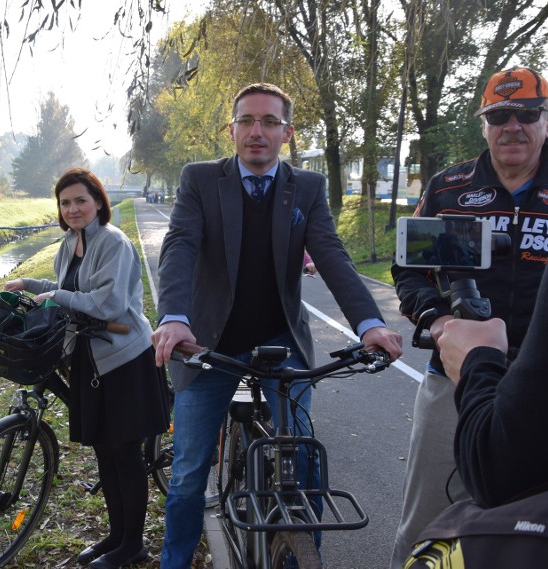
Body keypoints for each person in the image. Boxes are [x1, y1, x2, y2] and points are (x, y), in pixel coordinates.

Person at [151, 82, 403, 569]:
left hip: (280, 338)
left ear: (287, 133)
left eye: (269, 122)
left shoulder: (305, 188)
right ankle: (175, 562)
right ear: (231, 129)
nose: (256, 132)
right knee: (186, 474)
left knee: (303, 464)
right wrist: (174, 318)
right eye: (246, 121)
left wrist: (369, 323)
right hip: (207, 343)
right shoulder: (200, 179)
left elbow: (330, 254)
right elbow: (180, 245)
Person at [388, 66, 548, 567]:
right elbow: (408, 271)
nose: (513, 126)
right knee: (425, 516)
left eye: (527, 114)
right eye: (499, 115)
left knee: (538, 520)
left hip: (546, 383)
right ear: (484, 124)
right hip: (454, 377)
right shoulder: (448, 187)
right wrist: (439, 323)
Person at [5, 167, 170, 569]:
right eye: (65, 203)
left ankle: (133, 545)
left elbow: (107, 305)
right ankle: (116, 536)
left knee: (124, 451)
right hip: (88, 357)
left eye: (80, 200)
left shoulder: (114, 243)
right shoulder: (70, 242)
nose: (73, 208)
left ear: (98, 201)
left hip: (123, 358)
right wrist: (28, 284)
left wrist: (55, 298)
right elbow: (69, 288)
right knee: (103, 451)